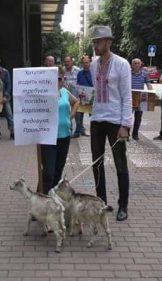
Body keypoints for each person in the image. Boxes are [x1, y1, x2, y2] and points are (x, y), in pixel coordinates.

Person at [89, 26, 132, 221]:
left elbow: (127, 96)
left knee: (120, 164)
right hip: (97, 119)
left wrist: (125, 125)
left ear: (108, 42)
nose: (95, 45)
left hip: (116, 121)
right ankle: (101, 203)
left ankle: (123, 205)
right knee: (96, 164)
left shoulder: (122, 64)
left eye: (98, 41)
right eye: (94, 42)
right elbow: (96, 94)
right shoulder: (92, 65)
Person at [40, 67, 79, 195]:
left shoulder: (64, 92)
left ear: (63, 79)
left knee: (58, 171)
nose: (56, 81)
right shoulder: (43, 93)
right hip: (48, 138)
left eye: (59, 78)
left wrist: (71, 116)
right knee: (48, 172)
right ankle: (45, 200)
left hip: (65, 136)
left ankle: (52, 197)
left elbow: (76, 102)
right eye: (53, 78)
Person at [131, 58, 153, 141]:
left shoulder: (144, 73)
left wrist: (151, 92)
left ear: (140, 64)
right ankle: (126, 133)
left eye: (138, 63)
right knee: (128, 116)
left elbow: (148, 83)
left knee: (138, 117)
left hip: (140, 97)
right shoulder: (128, 73)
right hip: (130, 97)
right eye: (135, 63)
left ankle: (135, 134)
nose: (136, 65)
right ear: (132, 65)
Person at [73, 55, 93, 138]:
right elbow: (78, 84)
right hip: (81, 97)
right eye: (84, 63)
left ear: (90, 62)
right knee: (78, 115)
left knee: (93, 117)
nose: (85, 64)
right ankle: (78, 131)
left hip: (92, 98)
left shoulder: (93, 72)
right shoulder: (80, 73)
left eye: (87, 62)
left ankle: (94, 133)